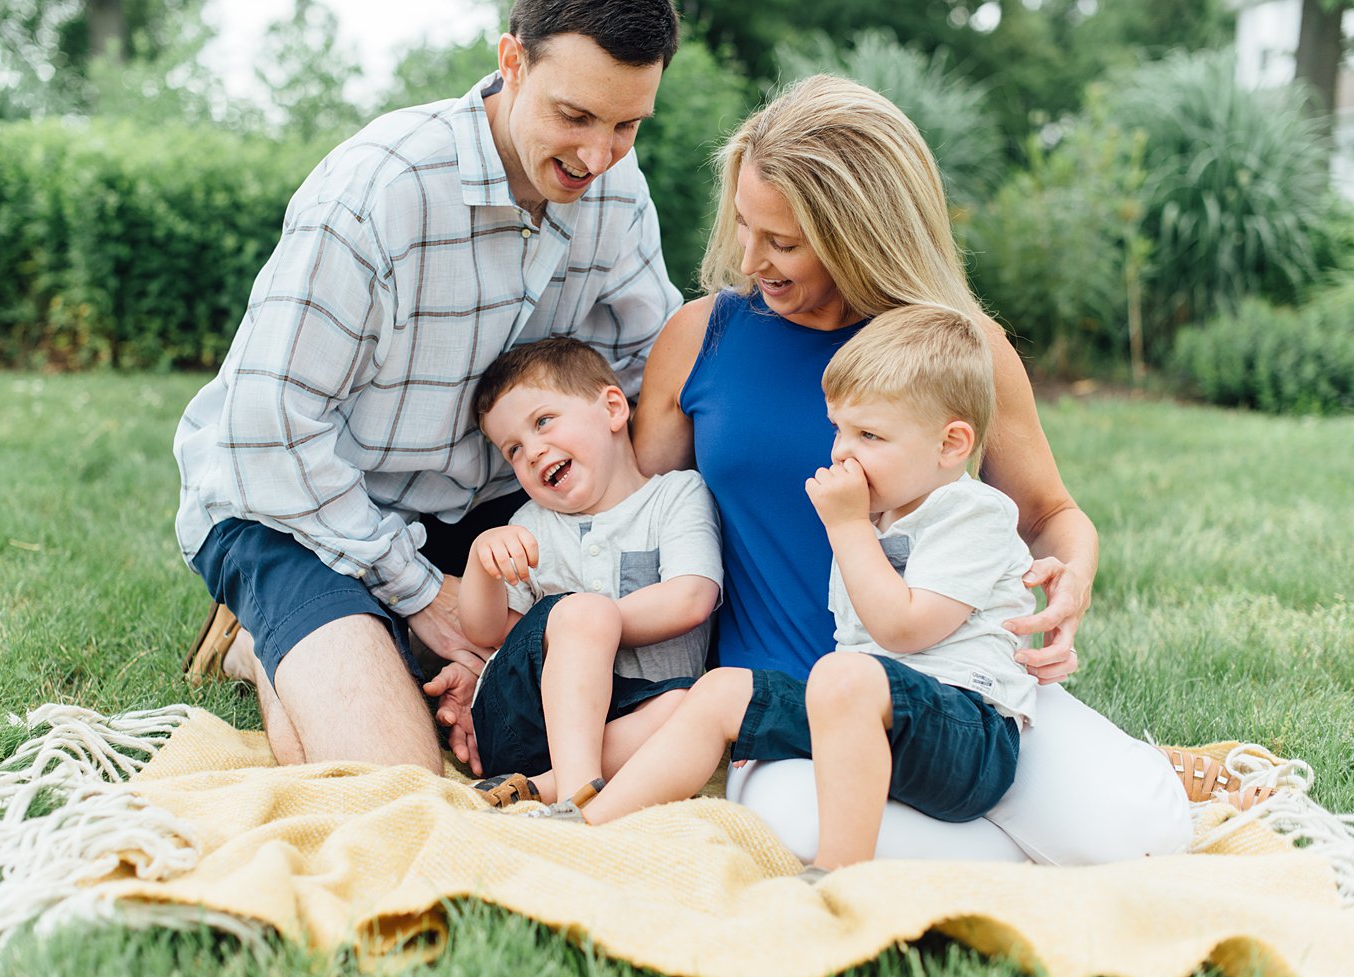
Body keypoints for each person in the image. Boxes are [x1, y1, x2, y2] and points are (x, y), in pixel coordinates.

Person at [630, 74, 1195, 865]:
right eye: (745, 227)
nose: (751, 259)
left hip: (964, 692)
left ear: (862, 231)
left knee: (1146, 838)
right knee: (839, 844)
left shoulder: (960, 350)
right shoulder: (701, 338)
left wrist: (1074, 576)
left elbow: (1047, 514)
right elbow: (637, 520)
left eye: (784, 242)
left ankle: (1099, 798)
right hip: (794, 699)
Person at [172, 0, 683, 772]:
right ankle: (264, 640)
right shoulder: (381, 189)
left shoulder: (616, 188)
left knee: (577, 715)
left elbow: (648, 367)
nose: (598, 155)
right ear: (512, 63)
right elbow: (269, 427)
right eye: (575, 115)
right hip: (298, 507)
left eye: (626, 126)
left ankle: (365, 641)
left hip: (488, 512)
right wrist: (423, 594)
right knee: (392, 774)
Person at [541, 307, 1037, 872]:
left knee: (842, 675)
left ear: (950, 446)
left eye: (869, 435)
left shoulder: (971, 514)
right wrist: (856, 525)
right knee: (723, 691)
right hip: (866, 719)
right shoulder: (876, 517)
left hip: (967, 735)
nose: (841, 453)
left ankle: (834, 876)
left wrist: (846, 528)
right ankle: (588, 829)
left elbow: (902, 629)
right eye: (839, 431)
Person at [458, 338, 721, 809]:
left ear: (614, 409)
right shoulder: (530, 525)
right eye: (513, 449)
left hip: (629, 721)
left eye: (543, 422)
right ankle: (578, 796)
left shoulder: (676, 496)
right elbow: (485, 631)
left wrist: (593, 623)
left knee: (696, 707)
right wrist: (482, 560)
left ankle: (544, 787)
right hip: (524, 717)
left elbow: (691, 599)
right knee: (584, 614)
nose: (532, 452)